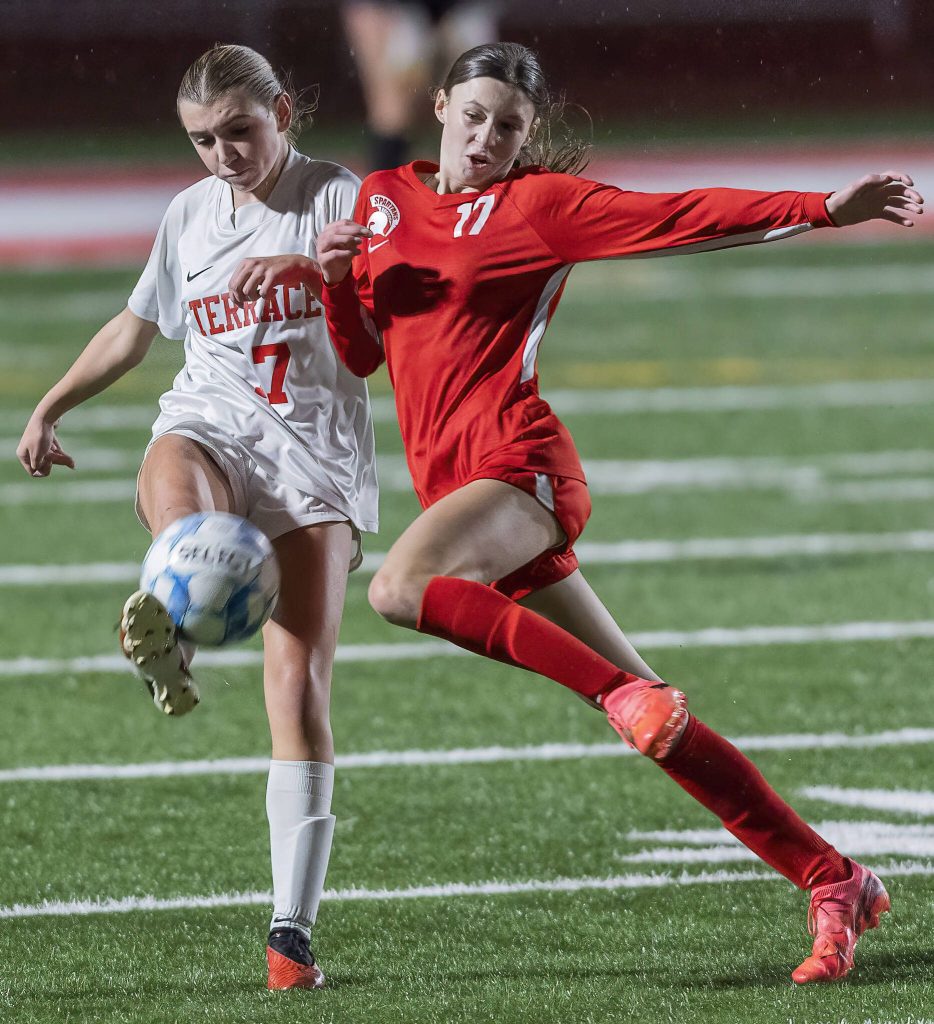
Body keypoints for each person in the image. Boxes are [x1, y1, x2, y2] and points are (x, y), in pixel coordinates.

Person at [316, 41, 924, 984]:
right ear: (437, 105)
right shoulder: (380, 198)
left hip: (520, 472)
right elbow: (362, 354)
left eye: (508, 127)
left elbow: (677, 216)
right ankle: (833, 875)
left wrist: (819, 209)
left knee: (402, 587)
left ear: (529, 136)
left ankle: (611, 693)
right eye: (472, 115)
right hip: (462, 496)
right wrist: (330, 283)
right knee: (666, 724)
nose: (486, 137)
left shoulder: (536, 205)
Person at [16, 43, 378, 992]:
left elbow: (385, 325)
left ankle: (291, 935)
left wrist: (315, 268)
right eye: (203, 140)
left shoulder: (338, 197)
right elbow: (138, 327)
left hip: (314, 460)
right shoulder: (188, 215)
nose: (222, 153)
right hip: (213, 424)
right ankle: (173, 615)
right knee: (179, 485)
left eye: (239, 132)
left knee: (297, 691)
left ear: (284, 115)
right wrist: (52, 403)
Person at [342, 0, 499, 169]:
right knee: (394, 108)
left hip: (462, 7)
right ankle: (387, 183)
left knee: (477, 100)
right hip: (395, 8)